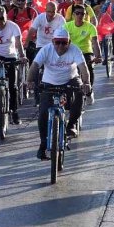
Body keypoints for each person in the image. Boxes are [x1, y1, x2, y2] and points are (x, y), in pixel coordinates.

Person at [28, 26, 90, 160]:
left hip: (70, 80)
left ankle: (71, 125)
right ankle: (43, 145)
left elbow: (83, 68)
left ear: (69, 42)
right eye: (57, 42)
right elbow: (34, 66)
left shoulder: (75, 50)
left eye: (64, 42)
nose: (60, 46)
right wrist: (30, 81)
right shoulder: (46, 50)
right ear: (53, 42)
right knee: (43, 114)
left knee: (79, 94)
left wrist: (86, 83)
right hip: (49, 82)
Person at [26, 1, 66, 95]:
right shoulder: (40, 18)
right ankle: (36, 92)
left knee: (59, 66)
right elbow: (32, 30)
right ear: (45, 10)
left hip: (55, 46)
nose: (51, 14)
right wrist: (26, 43)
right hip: (41, 45)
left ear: (57, 11)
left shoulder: (61, 19)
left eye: (53, 12)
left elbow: (63, 34)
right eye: (49, 11)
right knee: (36, 65)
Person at [65, 4, 102, 103]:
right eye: (77, 13)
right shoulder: (67, 26)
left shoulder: (90, 27)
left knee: (89, 68)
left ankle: (89, 91)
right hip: (71, 52)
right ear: (73, 15)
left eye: (82, 14)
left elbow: (95, 42)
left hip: (86, 52)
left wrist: (98, 56)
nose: (80, 15)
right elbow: (62, 41)